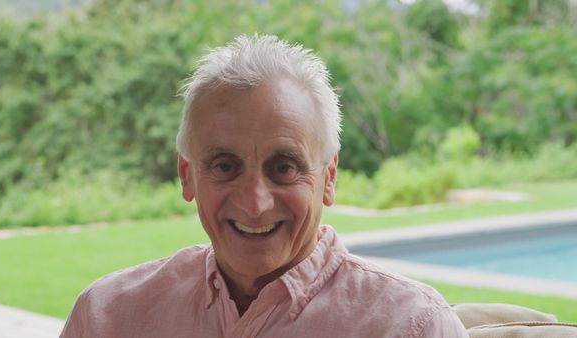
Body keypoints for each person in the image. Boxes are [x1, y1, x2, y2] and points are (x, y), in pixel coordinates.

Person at [60, 34, 468, 338]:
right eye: (224, 166)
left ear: (328, 177)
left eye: (284, 167)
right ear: (187, 176)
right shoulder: (106, 317)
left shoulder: (410, 327)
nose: (255, 203)